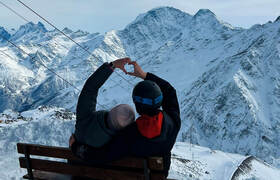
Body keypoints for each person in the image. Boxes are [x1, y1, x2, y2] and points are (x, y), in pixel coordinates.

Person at [70, 60, 181, 177]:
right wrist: (144, 75)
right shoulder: (173, 121)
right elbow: (170, 91)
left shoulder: (129, 135)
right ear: (160, 100)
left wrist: (75, 147)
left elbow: (101, 155)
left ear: (137, 105)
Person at [70, 58, 136, 150]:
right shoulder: (117, 146)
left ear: (112, 110)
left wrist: (113, 65)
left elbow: (90, 88)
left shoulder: (85, 119)